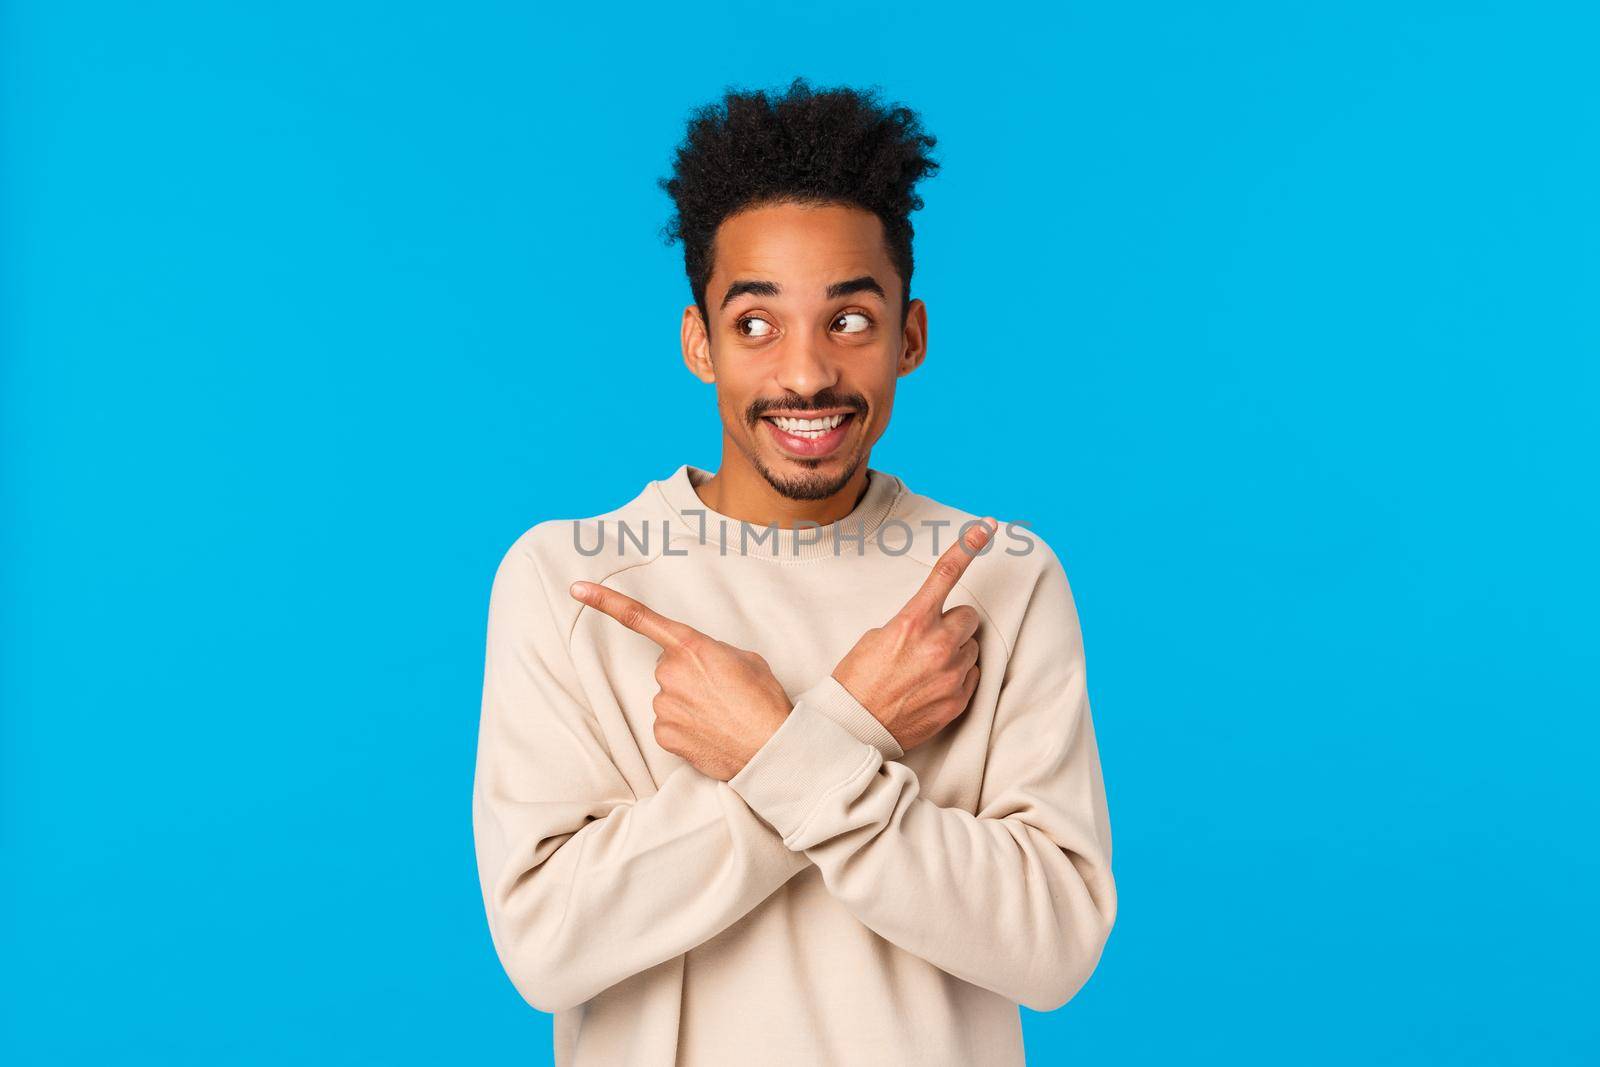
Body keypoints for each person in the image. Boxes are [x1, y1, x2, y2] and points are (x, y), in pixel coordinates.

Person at [471, 77, 1117, 1066]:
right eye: (756, 323)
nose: (807, 373)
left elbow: (1054, 943)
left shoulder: (1000, 577)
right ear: (701, 342)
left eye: (850, 321)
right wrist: (851, 725)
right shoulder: (570, 579)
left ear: (910, 335)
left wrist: (774, 747)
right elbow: (548, 945)